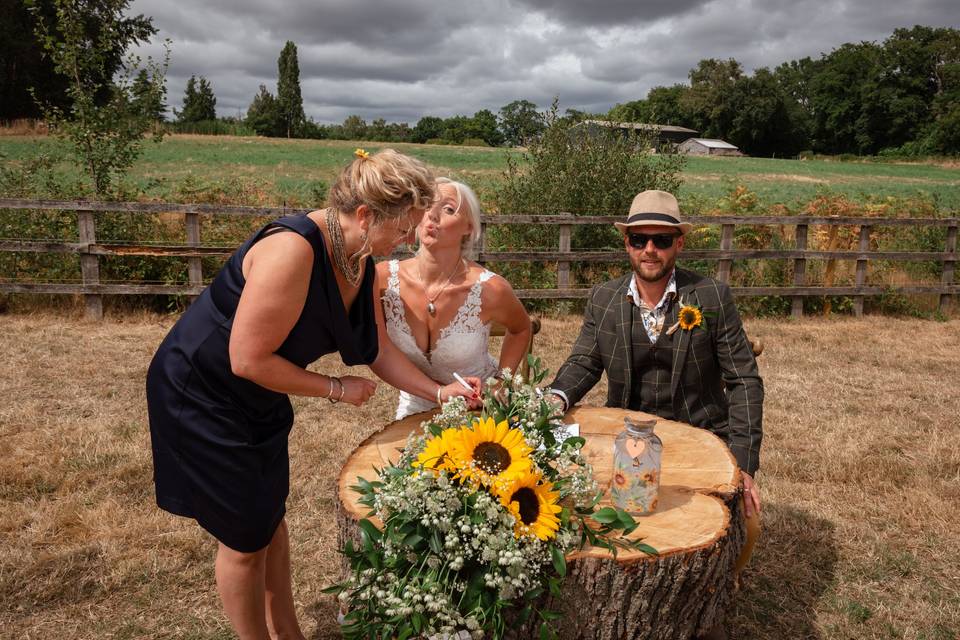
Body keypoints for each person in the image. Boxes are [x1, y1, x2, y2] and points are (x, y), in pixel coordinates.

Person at [146, 149, 480, 640]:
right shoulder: (293, 249)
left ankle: (288, 632)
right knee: (243, 540)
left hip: (257, 395)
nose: (408, 239)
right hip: (202, 394)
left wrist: (439, 390)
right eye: (403, 227)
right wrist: (335, 389)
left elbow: (377, 348)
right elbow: (247, 359)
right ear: (366, 215)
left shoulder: (360, 257)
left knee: (269, 517)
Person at [548, 191, 763, 639]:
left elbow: (744, 382)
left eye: (661, 240)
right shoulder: (604, 298)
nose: (650, 249)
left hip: (702, 435)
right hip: (627, 437)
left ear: (678, 245)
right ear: (626, 243)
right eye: (640, 239)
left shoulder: (711, 296)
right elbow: (584, 362)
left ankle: (712, 594)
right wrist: (555, 398)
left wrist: (742, 463)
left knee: (732, 526)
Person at [377, 177, 531, 419]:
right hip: (415, 406)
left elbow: (522, 328)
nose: (432, 216)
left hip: (479, 407)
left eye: (448, 209)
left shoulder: (491, 289)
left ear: (469, 227)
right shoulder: (383, 280)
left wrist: (501, 382)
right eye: (426, 205)